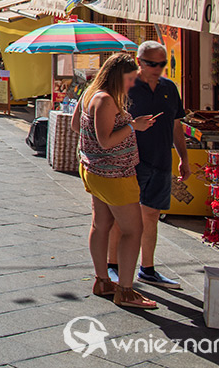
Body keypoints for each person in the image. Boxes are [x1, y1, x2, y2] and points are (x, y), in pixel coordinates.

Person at [77, 52, 158, 309]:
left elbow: (75, 127)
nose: (132, 84)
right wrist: (134, 126)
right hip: (114, 175)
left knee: (101, 225)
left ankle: (102, 281)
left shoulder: (90, 92)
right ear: (118, 76)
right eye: (130, 78)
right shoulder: (105, 100)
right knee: (133, 231)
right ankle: (125, 289)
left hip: (95, 171)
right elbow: (106, 141)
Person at [106, 41, 188, 289]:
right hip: (130, 161)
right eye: (152, 63)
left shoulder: (169, 88)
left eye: (162, 64)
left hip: (161, 160)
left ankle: (148, 269)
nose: (158, 68)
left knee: (151, 215)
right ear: (139, 62)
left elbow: (176, 125)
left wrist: (183, 157)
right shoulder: (126, 87)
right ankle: (113, 266)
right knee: (123, 217)